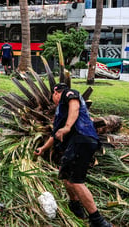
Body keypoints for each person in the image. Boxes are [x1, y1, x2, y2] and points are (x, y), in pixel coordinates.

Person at [34, 83, 112, 227]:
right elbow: (55, 134)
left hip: (82, 139)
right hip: (79, 143)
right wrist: (43, 149)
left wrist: (68, 127)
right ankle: (76, 207)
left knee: (76, 181)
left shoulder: (69, 94)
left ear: (56, 92)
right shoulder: (62, 112)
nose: (53, 99)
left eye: (53, 96)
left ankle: (98, 221)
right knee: (66, 176)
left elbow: (74, 106)